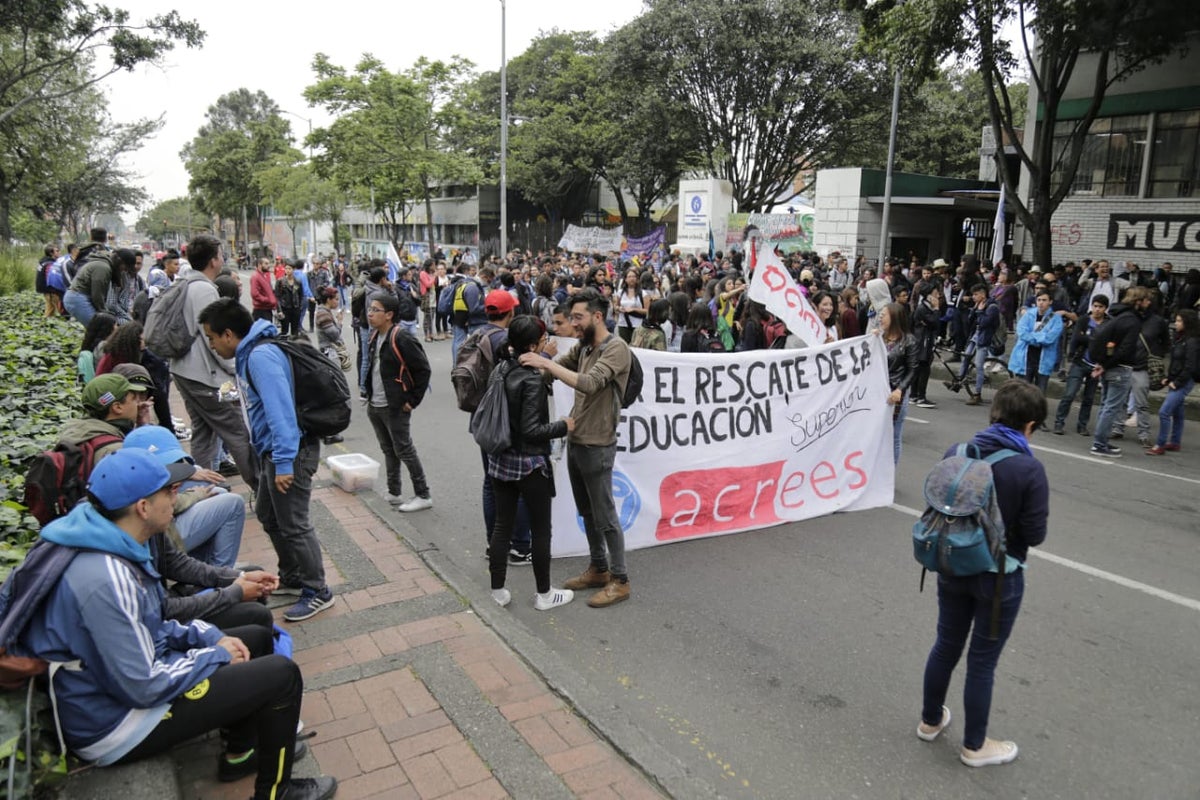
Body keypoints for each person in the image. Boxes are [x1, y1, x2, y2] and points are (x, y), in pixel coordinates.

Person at [16, 448, 336, 800]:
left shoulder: (114, 541)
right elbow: (144, 684)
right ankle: (278, 792)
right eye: (168, 492)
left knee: (257, 637)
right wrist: (212, 656)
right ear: (142, 507)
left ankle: (241, 753)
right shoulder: (106, 578)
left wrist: (213, 638)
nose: (177, 496)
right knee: (281, 676)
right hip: (116, 723)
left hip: (125, 687)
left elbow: (154, 622)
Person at [918, 380, 1048, 769]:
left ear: (994, 415)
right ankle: (974, 746)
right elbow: (1035, 534)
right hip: (999, 577)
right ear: (1029, 426)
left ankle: (929, 720)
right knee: (982, 661)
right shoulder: (1029, 468)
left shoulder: (957, 452)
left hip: (953, 564)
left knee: (945, 644)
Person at [197, 298, 335, 622]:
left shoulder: (260, 356)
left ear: (228, 334)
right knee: (268, 514)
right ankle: (293, 577)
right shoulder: (251, 353)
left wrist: (285, 462)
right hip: (272, 451)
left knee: (294, 523)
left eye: (212, 338)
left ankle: (318, 590)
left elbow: (281, 412)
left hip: (291, 451)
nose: (212, 346)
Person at [519, 289, 633, 608]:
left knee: (606, 515)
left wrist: (548, 366)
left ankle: (620, 579)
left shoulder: (617, 349)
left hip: (598, 444)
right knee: (587, 512)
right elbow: (552, 368)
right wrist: (525, 371)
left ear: (598, 316)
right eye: (571, 318)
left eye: (578, 317)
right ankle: (598, 568)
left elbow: (589, 383)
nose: (573, 324)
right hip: (576, 439)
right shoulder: (583, 346)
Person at [487, 315, 575, 610]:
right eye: (541, 341)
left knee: (502, 526)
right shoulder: (532, 379)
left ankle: (498, 591)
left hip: (500, 459)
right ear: (534, 344)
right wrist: (563, 425)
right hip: (529, 464)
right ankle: (544, 594)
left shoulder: (501, 367)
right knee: (540, 530)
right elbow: (531, 430)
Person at [169, 234, 259, 489]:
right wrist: (236, 370)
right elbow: (217, 340)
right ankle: (261, 487)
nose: (223, 259)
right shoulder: (205, 290)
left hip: (184, 371)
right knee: (237, 431)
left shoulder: (184, 283)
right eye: (221, 255)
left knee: (203, 431)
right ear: (213, 261)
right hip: (203, 375)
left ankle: (201, 486)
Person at [362, 293, 434, 512]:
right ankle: (394, 492)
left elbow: (423, 370)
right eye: (370, 309)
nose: (370, 313)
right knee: (388, 449)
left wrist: (412, 401)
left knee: (404, 449)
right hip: (375, 404)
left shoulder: (401, 337)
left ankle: (423, 494)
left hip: (395, 405)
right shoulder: (375, 335)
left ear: (389, 315)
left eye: (375, 310)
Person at [1087, 287, 1145, 458]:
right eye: (1145, 300)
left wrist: (1102, 363)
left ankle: (1101, 441)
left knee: (1106, 405)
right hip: (1120, 368)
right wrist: (1106, 365)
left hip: (1108, 365)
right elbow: (1125, 349)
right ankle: (1099, 444)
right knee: (1111, 407)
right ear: (1138, 302)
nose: (1148, 304)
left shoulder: (1117, 316)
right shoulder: (1132, 321)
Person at [1146, 309, 1200, 455]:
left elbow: (1190, 365)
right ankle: (1175, 442)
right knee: (1178, 413)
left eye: (1179, 321)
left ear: (1187, 323)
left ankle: (1160, 445)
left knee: (1164, 412)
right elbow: (1177, 362)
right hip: (1177, 379)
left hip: (1183, 381)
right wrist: (1169, 379)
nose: (1175, 323)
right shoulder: (1181, 338)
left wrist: (1177, 382)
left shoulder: (1192, 341)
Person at [1053, 296, 1108, 436]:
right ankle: (1059, 422)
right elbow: (1077, 338)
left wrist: (1089, 338)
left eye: (1100, 307)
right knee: (1069, 394)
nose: (1097, 309)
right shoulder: (1084, 320)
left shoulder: (1108, 323)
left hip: (1096, 365)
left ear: (1105, 308)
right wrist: (1095, 340)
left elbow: (1108, 343)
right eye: (1095, 306)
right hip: (1080, 361)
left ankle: (1082, 425)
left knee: (1089, 398)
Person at [945, 284, 1001, 406]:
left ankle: (977, 394)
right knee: (966, 357)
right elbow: (970, 321)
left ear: (983, 294)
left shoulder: (992, 307)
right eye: (973, 295)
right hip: (975, 336)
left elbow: (985, 323)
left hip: (985, 339)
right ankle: (958, 382)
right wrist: (975, 310)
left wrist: (980, 311)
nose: (973, 297)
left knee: (979, 365)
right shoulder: (977, 305)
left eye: (976, 294)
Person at [878, 302, 918, 465]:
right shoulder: (879, 337)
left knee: (894, 435)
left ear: (894, 317)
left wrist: (900, 389)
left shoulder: (908, 341)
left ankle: (890, 474)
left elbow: (913, 369)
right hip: (879, 390)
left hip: (895, 393)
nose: (880, 317)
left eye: (884, 314)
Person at [1007, 290, 1062, 393]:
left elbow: (1049, 338)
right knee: (1021, 391)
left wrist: (1032, 336)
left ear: (1050, 301)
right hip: (1025, 358)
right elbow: (1022, 332)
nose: (1041, 302)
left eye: (1044, 300)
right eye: (1039, 300)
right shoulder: (1028, 315)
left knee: (1039, 392)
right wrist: (1039, 338)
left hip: (1044, 359)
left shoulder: (1056, 319)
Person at [910, 285, 940, 409]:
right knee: (923, 368)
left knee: (920, 368)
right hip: (922, 342)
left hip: (924, 340)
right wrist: (937, 309)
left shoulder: (925, 308)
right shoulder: (923, 309)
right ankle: (920, 396)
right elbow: (934, 322)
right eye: (936, 293)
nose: (938, 295)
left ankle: (915, 395)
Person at [274, 260, 305, 338]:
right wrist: (279, 310)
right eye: (286, 268)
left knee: (295, 331)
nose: (287, 270)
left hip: (295, 308)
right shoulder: (280, 281)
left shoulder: (298, 281)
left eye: (289, 268)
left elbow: (301, 295)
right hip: (285, 308)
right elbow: (277, 297)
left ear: (293, 269)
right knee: (284, 331)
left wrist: (300, 307)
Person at [251, 257, 278, 323]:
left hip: (267, 309)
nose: (268, 266)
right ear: (260, 265)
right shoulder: (256, 277)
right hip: (261, 311)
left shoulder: (264, 276)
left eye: (268, 263)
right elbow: (254, 294)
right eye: (266, 264)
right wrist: (268, 300)